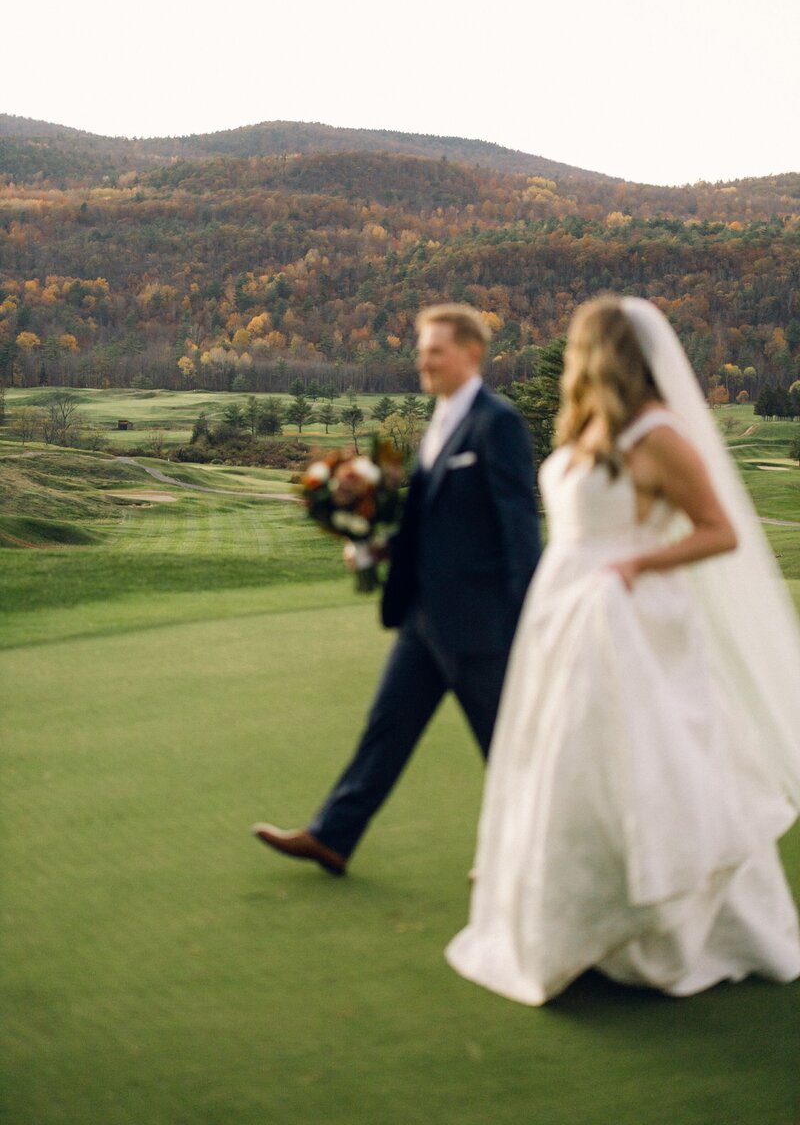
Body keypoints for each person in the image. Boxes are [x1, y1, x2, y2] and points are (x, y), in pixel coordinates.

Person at [446, 295, 800, 1004]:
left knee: (646, 768)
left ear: (603, 352)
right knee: (566, 761)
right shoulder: (585, 426)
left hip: (629, 617)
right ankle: (575, 928)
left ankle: (668, 927)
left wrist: (637, 565)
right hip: (564, 613)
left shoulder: (659, 432)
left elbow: (718, 530)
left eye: (580, 344)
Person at [253, 303, 541, 875]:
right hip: (422, 615)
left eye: (435, 350)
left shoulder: (496, 422)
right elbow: (432, 519)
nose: (424, 361)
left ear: (472, 353)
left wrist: (526, 617)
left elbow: (519, 525)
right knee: (387, 728)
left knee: (508, 749)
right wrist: (379, 545)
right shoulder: (439, 420)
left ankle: (537, 855)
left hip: (478, 623)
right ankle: (332, 836)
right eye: (422, 350)